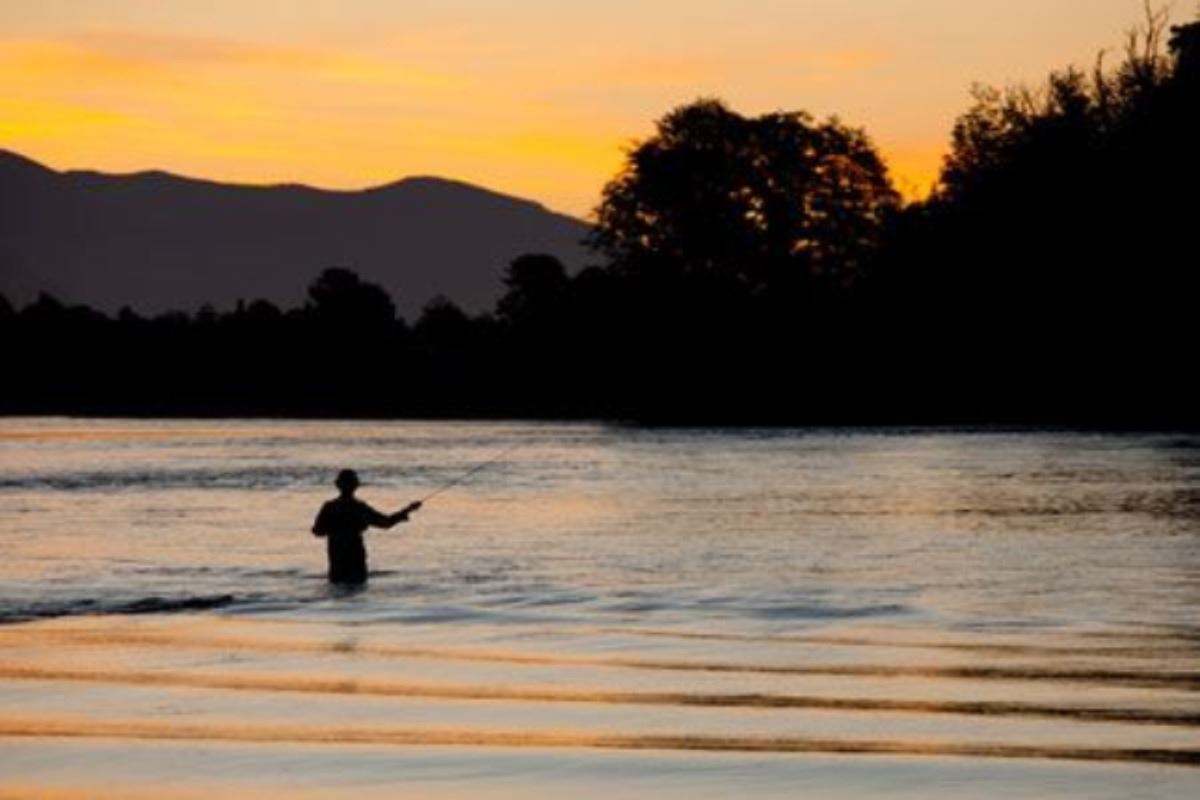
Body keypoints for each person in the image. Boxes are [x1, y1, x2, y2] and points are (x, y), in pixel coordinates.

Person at [312, 469, 421, 584]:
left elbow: (317, 531)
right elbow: (385, 522)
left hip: (336, 556)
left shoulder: (329, 507)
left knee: (338, 588)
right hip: (356, 557)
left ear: (337, 485)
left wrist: (334, 529)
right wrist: (408, 510)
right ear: (356, 486)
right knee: (357, 589)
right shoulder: (359, 507)